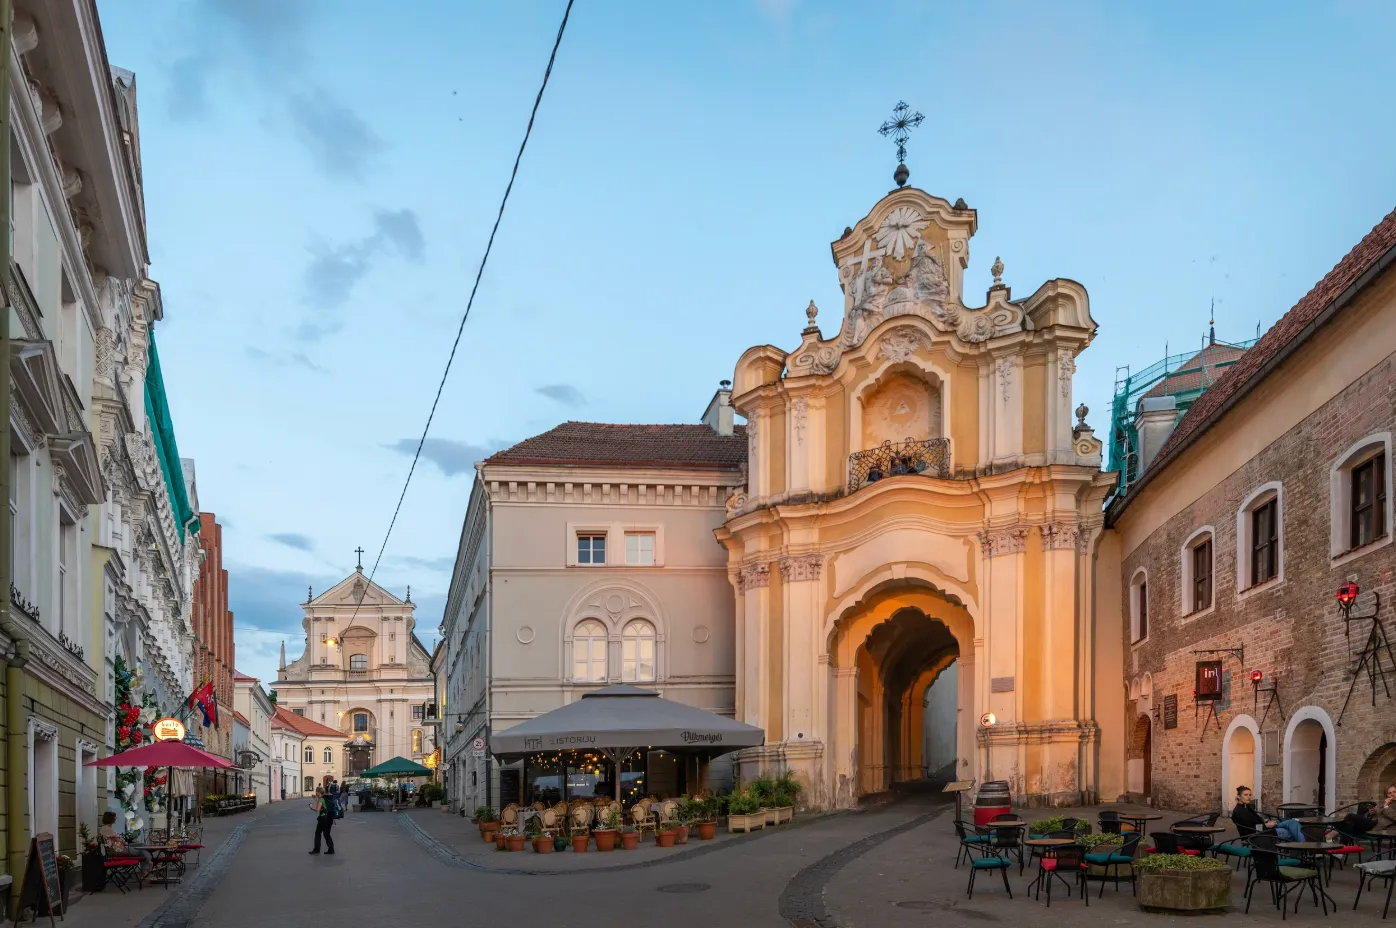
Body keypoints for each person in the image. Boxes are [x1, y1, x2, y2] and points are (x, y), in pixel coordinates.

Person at [1231, 786, 1306, 842]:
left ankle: (1303, 852)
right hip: (1260, 834)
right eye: (1245, 795)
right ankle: (1305, 851)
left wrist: (1266, 822)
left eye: (1250, 795)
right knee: (1293, 833)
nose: (1248, 797)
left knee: (1292, 822)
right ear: (1239, 796)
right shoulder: (1239, 812)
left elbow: (1255, 821)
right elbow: (1248, 829)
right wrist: (1266, 825)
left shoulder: (1247, 807)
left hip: (1265, 828)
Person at [100, 811, 151, 876]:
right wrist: (123, 842)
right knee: (142, 850)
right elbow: (117, 840)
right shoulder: (107, 829)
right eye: (114, 818)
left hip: (120, 846)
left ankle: (149, 861)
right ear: (110, 819)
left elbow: (117, 840)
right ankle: (146, 869)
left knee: (143, 845)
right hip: (117, 849)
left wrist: (123, 841)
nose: (115, 819)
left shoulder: (108, 828)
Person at [308, 787, 336, 855]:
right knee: (326, 834)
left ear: (318, 792)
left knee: (318, 834)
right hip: (328, 818)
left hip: (322, 819)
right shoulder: (324, 798)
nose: (316, 793)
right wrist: (316, 800)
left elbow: (318, 810)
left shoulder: (321, 799)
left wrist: (311, 808)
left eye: (317, 791)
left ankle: (316, 850)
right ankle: (331, 849)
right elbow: (322, 805)